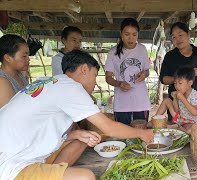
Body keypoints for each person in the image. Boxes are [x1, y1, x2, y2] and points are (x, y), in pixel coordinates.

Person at [0, 50, 154, 180]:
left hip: (21, 151)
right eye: (94, 76)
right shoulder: (71, 87)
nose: (94, 83)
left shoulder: (50, 82)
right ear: (84, 69)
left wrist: (73, 134)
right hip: (11, 166)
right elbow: (109, 128)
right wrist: (142, 133)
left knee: (83, 139)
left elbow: (37, 127)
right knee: (86, 177)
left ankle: (51, 173)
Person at [159, 22, 197, 120]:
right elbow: (163, 79)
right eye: (174, 37)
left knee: (195, 129)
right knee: (177, 129)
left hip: (196, 102)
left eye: (180, 35)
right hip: (176, 103)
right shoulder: (170, 56)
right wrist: (178, 80)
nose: (178, 39)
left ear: (188, 34)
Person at [105, 18, 151, 125]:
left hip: (141, 101)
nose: (131, 38)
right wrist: (119, 83)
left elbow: (147, 70)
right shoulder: (113, 52)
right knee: (123, 135)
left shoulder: (142, 49)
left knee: (141, 133)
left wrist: (144, 74)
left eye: (134, 35)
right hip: (122, 103)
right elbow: (108, 77)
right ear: (121, 34)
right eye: (127, 34)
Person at [155, 66, 197, 134]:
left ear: (190, 83)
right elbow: (176, 110)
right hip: (181, 119)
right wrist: (175, 98)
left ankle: (176, 128)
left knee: (190, 130)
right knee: (167, 100)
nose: (177, 86)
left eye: (180, 83)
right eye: (175, 83)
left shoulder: (195, 95)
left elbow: (195, 112)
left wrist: (182, 98)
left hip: (191, 122)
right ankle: (155, 120)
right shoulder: (180, 93)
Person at [0, 34, 29, 108]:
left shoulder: (20, 74)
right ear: (8, 58)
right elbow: (9, 115)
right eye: (24, 56)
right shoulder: (2, 82)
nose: (28, 59)